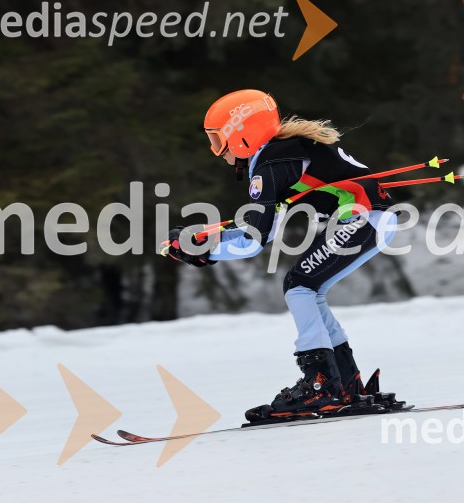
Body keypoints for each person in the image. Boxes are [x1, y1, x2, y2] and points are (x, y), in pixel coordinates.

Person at [165, 89, 398, 421]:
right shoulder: (282, 154)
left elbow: (254, 241)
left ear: (242, 134)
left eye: (218, 141)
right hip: (372, 218)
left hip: (364, 219)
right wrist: (206, 245)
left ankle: (320, 387)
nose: (217, 152)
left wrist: (204, 250)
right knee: (308, 289)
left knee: (299, 286)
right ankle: (344, 385)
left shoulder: (270, 164)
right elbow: (262, 232)